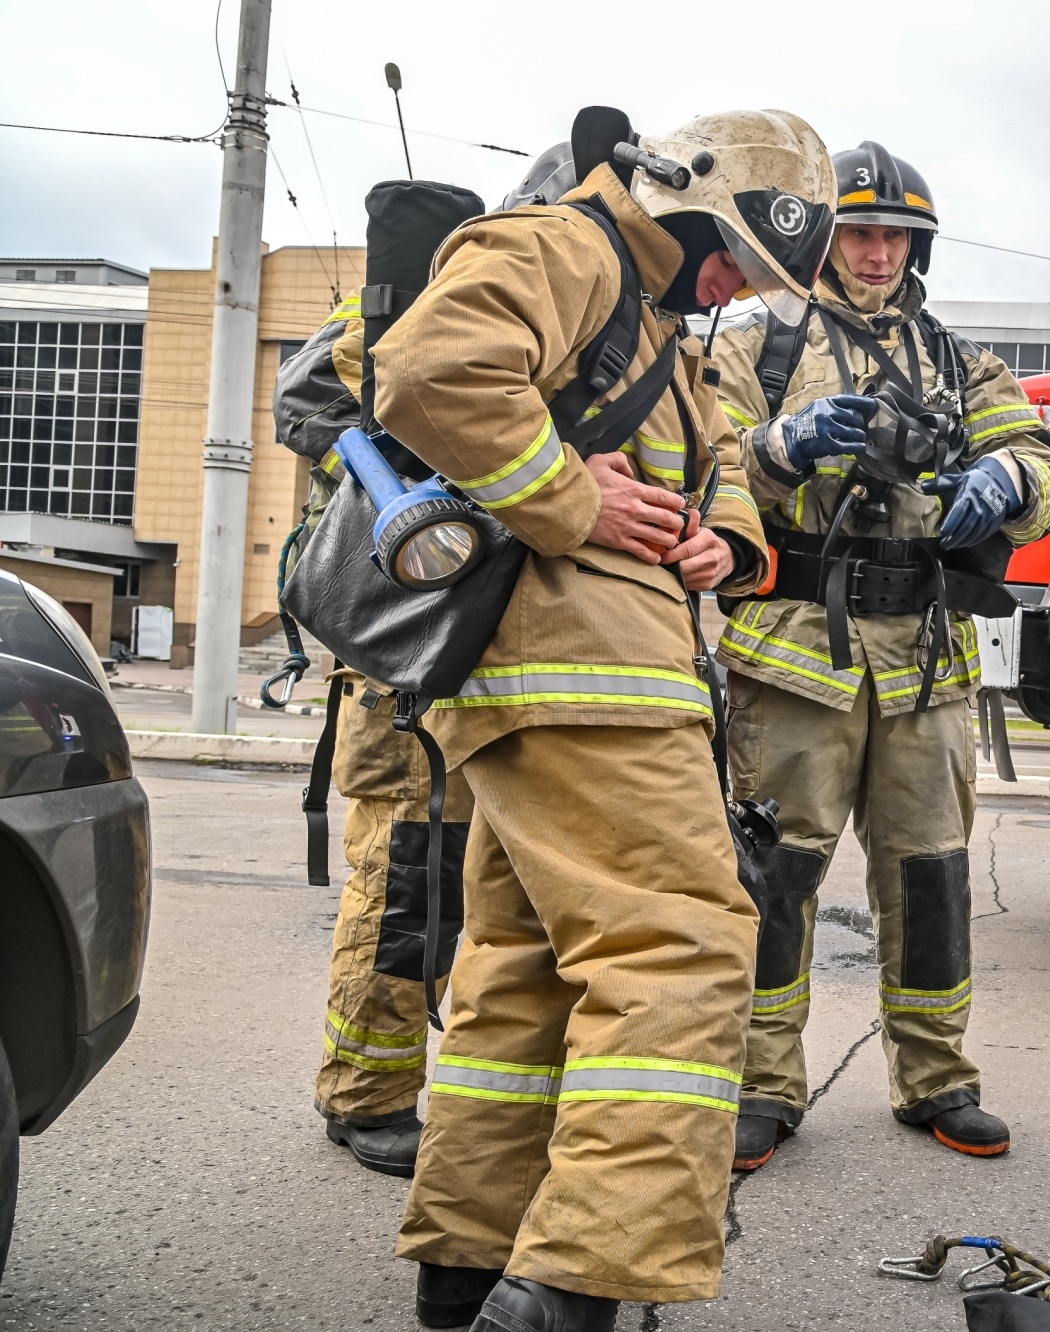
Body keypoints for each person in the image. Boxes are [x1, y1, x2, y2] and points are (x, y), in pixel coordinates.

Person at [371, 109, 835, 1331]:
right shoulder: (570, 249)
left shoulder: (655, 322)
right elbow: (427, 372)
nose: (740, 288)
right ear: (688, 199)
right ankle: (574, 1288)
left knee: (525, 969)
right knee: (678, 947)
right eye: (736, 253)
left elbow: (715, 455)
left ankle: (467, 1267)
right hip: (585, 671)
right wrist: (568, 499)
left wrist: (718, 536)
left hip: (566, 677)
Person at [708, 141, 1050, 1170]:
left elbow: (1037, 462)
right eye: (859, 231)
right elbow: (699, 458)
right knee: (778, 877)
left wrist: (1002, 478)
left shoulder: (959, 360)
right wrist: (780, 447)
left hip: (924, 660)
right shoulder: (754, 347)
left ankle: (936, 1075)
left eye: (895, 235)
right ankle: (762, 1084)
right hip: (790, 652)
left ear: (918, 245)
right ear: (825, 239)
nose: (876, 251)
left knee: (931, 878)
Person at [272, 290, 477, 1180]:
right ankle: (366, 1095)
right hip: (403, 671)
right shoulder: (408, 311)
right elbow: (310, 392)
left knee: (449, 897)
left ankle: (395, 1088)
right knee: (404, 893)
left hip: (470, 663)